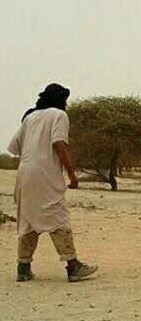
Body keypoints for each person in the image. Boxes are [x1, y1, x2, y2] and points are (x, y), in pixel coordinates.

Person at [8, 83, 98, 282]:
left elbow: (14, 147)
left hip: (24, 173)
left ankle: (23, 267)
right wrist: (72, 174)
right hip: (45, 174)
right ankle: (73, 266)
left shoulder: (30, 117)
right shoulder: (59, 115)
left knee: (28, 219)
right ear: (60, 100)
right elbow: (59, 143)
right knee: (57, 215)